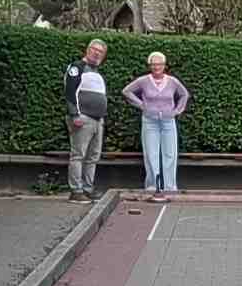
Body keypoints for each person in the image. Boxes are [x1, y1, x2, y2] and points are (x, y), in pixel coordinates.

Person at [128, 52, 188, 193]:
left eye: (159, 64)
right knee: (151, 154)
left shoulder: (172, 81)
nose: (156, 67)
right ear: (150, 65)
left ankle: (169, 186)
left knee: (170, 154)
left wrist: (177, 110)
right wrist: (141, 104)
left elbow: (184, 94)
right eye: (154, 64)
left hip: (168, 121)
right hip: (150, 121)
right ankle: (153, 185)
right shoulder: (143, 81)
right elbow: (127, 91)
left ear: (164, 65)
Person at [65, 37, 114, 195]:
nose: (97, 53)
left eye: (101, 52)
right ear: (88, 49)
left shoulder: (97, 73)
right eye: (95, 49)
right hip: (83, 118)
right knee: (78, 155)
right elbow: (70, 91)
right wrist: (74, 114)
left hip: (98, 120)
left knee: (93, 156)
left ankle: (88, 188)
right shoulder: (77, 67)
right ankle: (76, 190)